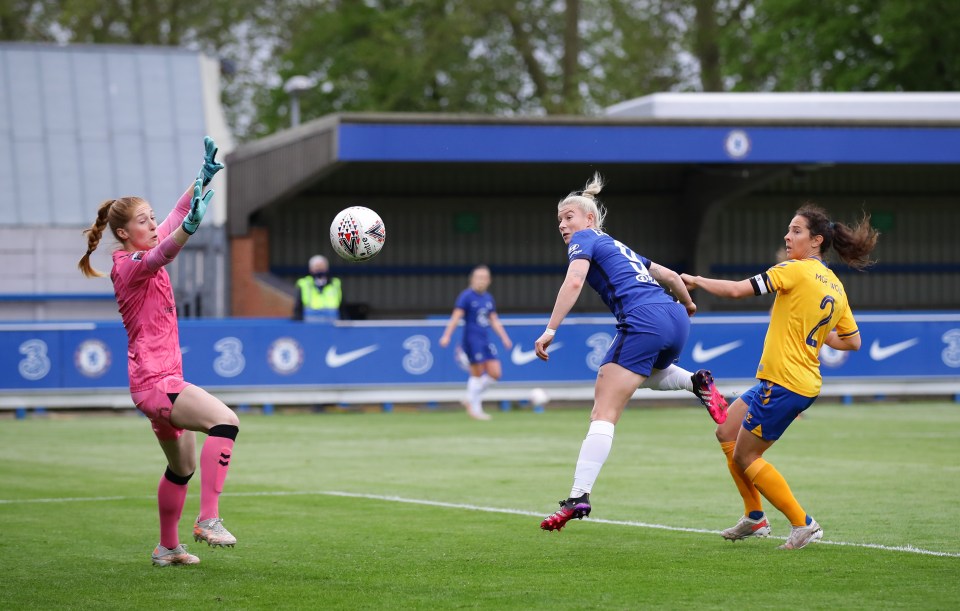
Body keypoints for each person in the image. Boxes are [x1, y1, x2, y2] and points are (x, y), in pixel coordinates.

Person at [535, 173, 729, 532]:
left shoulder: (584, 240)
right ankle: (695, 381)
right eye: (559, 220)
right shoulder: (617, 245)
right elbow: (671, 275)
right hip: (673, 317)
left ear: (588, 219)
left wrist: (550, 330)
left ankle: (579, 495)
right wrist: (687, 305)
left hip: (643, 320)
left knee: (603, 412)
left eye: (568, 217)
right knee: (648, 375)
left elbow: (574, 281)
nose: (563, 225)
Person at [78, 137, 239, 567]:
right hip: (158, 383)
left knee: (181, 469)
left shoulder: (144, 246)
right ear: (123, 234)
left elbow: (177, 216)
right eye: (144, 222)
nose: (153, 225)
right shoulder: (127, 264)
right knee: (226, 421)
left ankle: (167, 548)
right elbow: (165, 251)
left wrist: (199, 179)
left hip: (151, 384)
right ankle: (208, 519)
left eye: (152, 218)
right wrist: (186, 232)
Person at [680, 204, 879, 550]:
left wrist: (696, 280)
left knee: (746, 456)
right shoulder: (835, 284)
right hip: (783, 380)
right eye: (789, 230)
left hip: (786, 382)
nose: (788, 236)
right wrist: (816, 336)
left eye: (797, 231)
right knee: (726, 430)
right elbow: (854, 341)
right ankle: (755, 518)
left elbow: (737, 290)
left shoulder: (795, 270)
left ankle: (803, 524)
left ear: (816, 240)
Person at [439, 265, 513, 420]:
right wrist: (446, 335)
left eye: (485, 278)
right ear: (472, 279)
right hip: (471, 340)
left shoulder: (488, 298)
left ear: (489, 281)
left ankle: (469, 398)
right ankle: (476, 409)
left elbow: (494, 320)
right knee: (477, 374)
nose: (481, 281)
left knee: (495, 373)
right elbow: (456, 317)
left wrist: (504, 337)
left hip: (485, 339)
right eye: (478, 277)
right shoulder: (466, 296)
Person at [294, 254, 343, 322]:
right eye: (317, 267)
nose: (320, 270)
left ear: (327, 268)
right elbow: (298, 307)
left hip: (332, 321)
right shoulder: (304, 284)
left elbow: (342, 306)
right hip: (311, 322)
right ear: (311, 269)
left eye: (322, 267)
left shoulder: (335, 283)